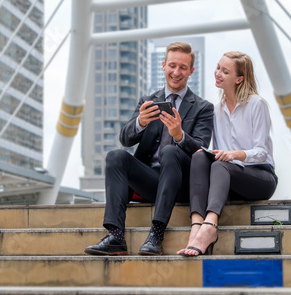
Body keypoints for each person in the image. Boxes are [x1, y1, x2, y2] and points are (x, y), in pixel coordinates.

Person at [85, 42, 214, 256]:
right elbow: (125, 139)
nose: (176, 72)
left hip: (181, 183)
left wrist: (179, 136)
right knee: (116, 156)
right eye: (172, 65)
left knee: (171, 151)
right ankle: (115, 236)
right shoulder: (147, 101)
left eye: (183, 67)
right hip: (150, 180)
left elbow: (202, 150)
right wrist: (140, 123)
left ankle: (156, 234)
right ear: (163, 66)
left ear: (191, 71)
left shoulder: (203, 107)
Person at [177, 51, 278, 256]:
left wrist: (234, 155)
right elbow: (214, 152)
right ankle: (196, 223)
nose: (218, 74)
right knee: (200, 156)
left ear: (239, 79)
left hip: (260, 177)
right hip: (227, 177)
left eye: (225, 71)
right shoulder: (216, 110)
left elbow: (261, 152)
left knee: (221, 164)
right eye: (218, 68)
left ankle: (210, 227)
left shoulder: (256, 104)